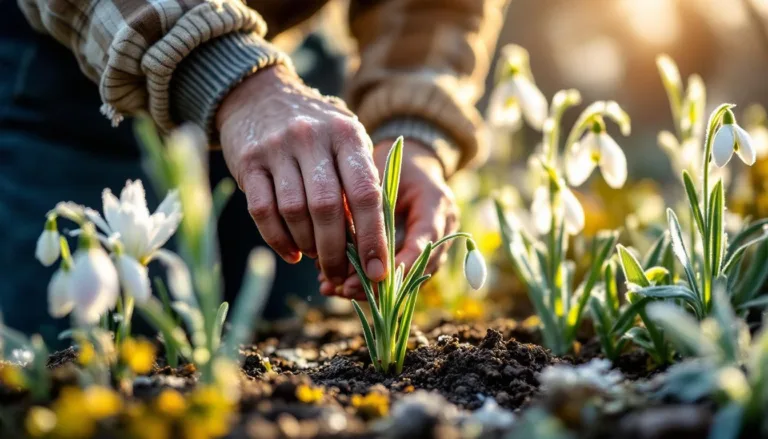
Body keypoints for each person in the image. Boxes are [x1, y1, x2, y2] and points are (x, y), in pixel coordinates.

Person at [0, 0, 509, 343]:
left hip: (291, 64)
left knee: (290, 340)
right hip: (73, 63)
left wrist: (411, 123)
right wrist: (230, 73)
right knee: (103, 359)